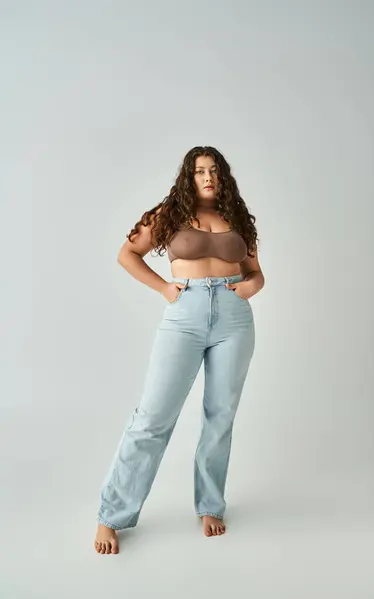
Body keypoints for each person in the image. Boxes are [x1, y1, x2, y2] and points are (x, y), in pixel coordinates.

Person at [94, 146, 265, 554]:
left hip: (234, 319)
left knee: (220, 416)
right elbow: (127, 254)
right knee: (152, 417)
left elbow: (256, 273)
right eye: (199, 171)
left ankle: (210, 505)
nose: (207, 177)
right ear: (188, 178)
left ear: (223, 176)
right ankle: (111, 515)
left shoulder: (238, 219)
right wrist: (164, 289)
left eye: (213, 171)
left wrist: (251, 287)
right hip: (184, 316)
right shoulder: (169, 214)